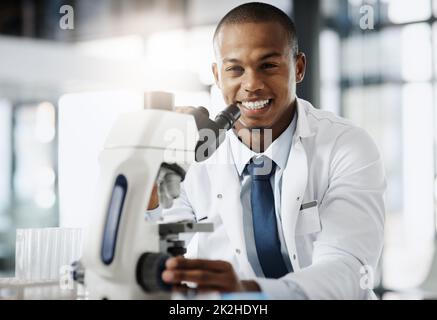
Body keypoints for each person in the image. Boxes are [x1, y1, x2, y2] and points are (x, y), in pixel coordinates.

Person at [146, 2, 386, 299]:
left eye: (268, 66)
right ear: (217, 75)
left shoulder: (346, 146)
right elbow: (157, 245)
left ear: (298, 68)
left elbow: (349, 268)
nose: (252, 85)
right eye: (235, 69)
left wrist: (250, 293)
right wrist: (150, 175)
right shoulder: (192, 153)